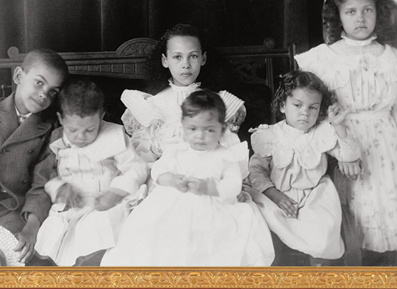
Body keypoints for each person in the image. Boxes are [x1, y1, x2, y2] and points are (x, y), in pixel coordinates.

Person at [295, 0, 397, 266]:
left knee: (382, 205)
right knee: (348, 210)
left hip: (383, 141)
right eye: (351, 12)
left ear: (377, 13)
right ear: (338, 16)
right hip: (341, 139)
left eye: (367, 10)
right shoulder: (324, 58)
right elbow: (316, 111)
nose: (360, 18)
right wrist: (340, 149)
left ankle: (381, 268)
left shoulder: (392, 57)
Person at [101, 90, 275, 266]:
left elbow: (233, 185)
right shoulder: (177, 149)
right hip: (174, 203)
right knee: (157, 232)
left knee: (218, 239)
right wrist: (170, 179)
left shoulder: (224, 156)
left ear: (222, 130)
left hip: (213, 205)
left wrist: (208, 187)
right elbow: (158, 170)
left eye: (209, 130)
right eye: (193, 129)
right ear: (183, 127)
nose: (200, 136)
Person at [246, 71, 361, 266]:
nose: (305, 112)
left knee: (322, 230)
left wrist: (339, 126)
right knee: (255, 220)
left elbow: (349, 156)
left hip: (314, 196)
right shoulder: (270, 134)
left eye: (313, 107)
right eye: (297, 105)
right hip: (275, 195)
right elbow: (256, 171)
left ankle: (318, 268)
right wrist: (275, 195)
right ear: (283, 105)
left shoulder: (322, 133)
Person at [33, 78, 148, 266]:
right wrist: (61, 188)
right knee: (54, 233)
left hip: (106, 201)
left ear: (101, 116)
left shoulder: (114, 136)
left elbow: (138, 168)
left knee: (95, 230)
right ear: (61, 119)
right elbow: (48, 173)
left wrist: (116, 192)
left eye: (89, 130)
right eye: (73, 130)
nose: (80, 137)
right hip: (73, 204)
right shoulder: (58, 140)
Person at [0, 48, 69, 264]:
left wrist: (32, 227)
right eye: (39, 83)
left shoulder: (51, 130)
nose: (43, 94)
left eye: (53, 92)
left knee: (8, 250)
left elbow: (42, 182)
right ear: (19, 76)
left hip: (11, 209)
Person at [121, 23, 246, 167]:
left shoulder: (218, 103)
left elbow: (229, 153)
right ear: (165, 61)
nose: (186, 64)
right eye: (177, 57)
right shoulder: (151, 106)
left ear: (203, 59)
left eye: (193, 56)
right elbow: (143, 159)